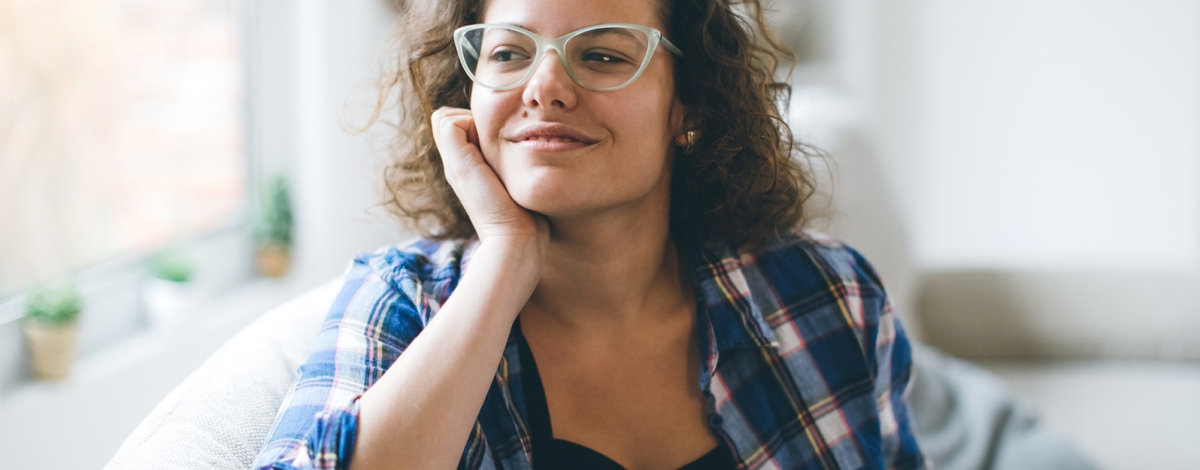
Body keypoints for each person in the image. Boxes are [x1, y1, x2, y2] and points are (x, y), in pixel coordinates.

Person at [253, 0, 925, 467]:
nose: (544, 88)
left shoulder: (832, 295)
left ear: (687, 108)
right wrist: (507, 261)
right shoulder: (400, 300)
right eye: (510, 53)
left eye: (602, 55)